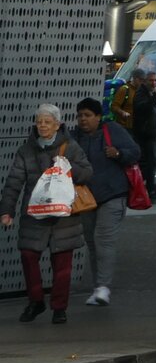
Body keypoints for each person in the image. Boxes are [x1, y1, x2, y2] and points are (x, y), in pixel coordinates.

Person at [0, 103, 93, 324]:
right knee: (28, 256)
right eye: (39, 121)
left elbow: (88, 173)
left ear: (57, 125)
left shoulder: (70, 147)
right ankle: (36, 301)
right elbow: (14, 183)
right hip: (34, 214)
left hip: (64, 216)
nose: (42, 125)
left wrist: (69, 167)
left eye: (47, 122)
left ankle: (59, 308)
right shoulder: (26, 150)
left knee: (62, 264)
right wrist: (6, 211)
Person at [71, 98, 140, 307]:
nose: (83, 119)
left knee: (104, 240)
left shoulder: (112, 130)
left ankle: (103, 287)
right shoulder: (74, 137)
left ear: (98, 117)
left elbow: (135, 152)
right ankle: (98, 287)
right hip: (86, 198)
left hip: (113, 194)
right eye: (80, 115)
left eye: (88, 115)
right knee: (91, 241)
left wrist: (118, 153)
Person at [132, 71, 156, 200]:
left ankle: (149, 187)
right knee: (151, 163)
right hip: (145, 134)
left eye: (155, 80)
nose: (154, 83)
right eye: (151, 80)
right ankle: (145, 188)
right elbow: (142, 108)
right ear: (145, 81)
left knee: (155, 162)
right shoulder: (142, 93)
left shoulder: (149, 93)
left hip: (152, 134)